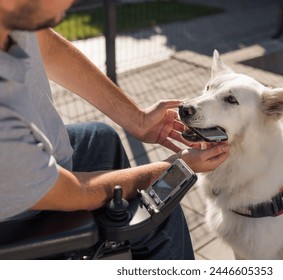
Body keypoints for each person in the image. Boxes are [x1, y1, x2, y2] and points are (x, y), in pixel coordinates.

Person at [0, 0, 230, 259]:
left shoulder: (14, 18)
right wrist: (177, 168)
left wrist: (138, 119)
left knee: (101, 138)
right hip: (20, 223)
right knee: (160, 203)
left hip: (31, 165)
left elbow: (44, 44)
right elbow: (72, 192)